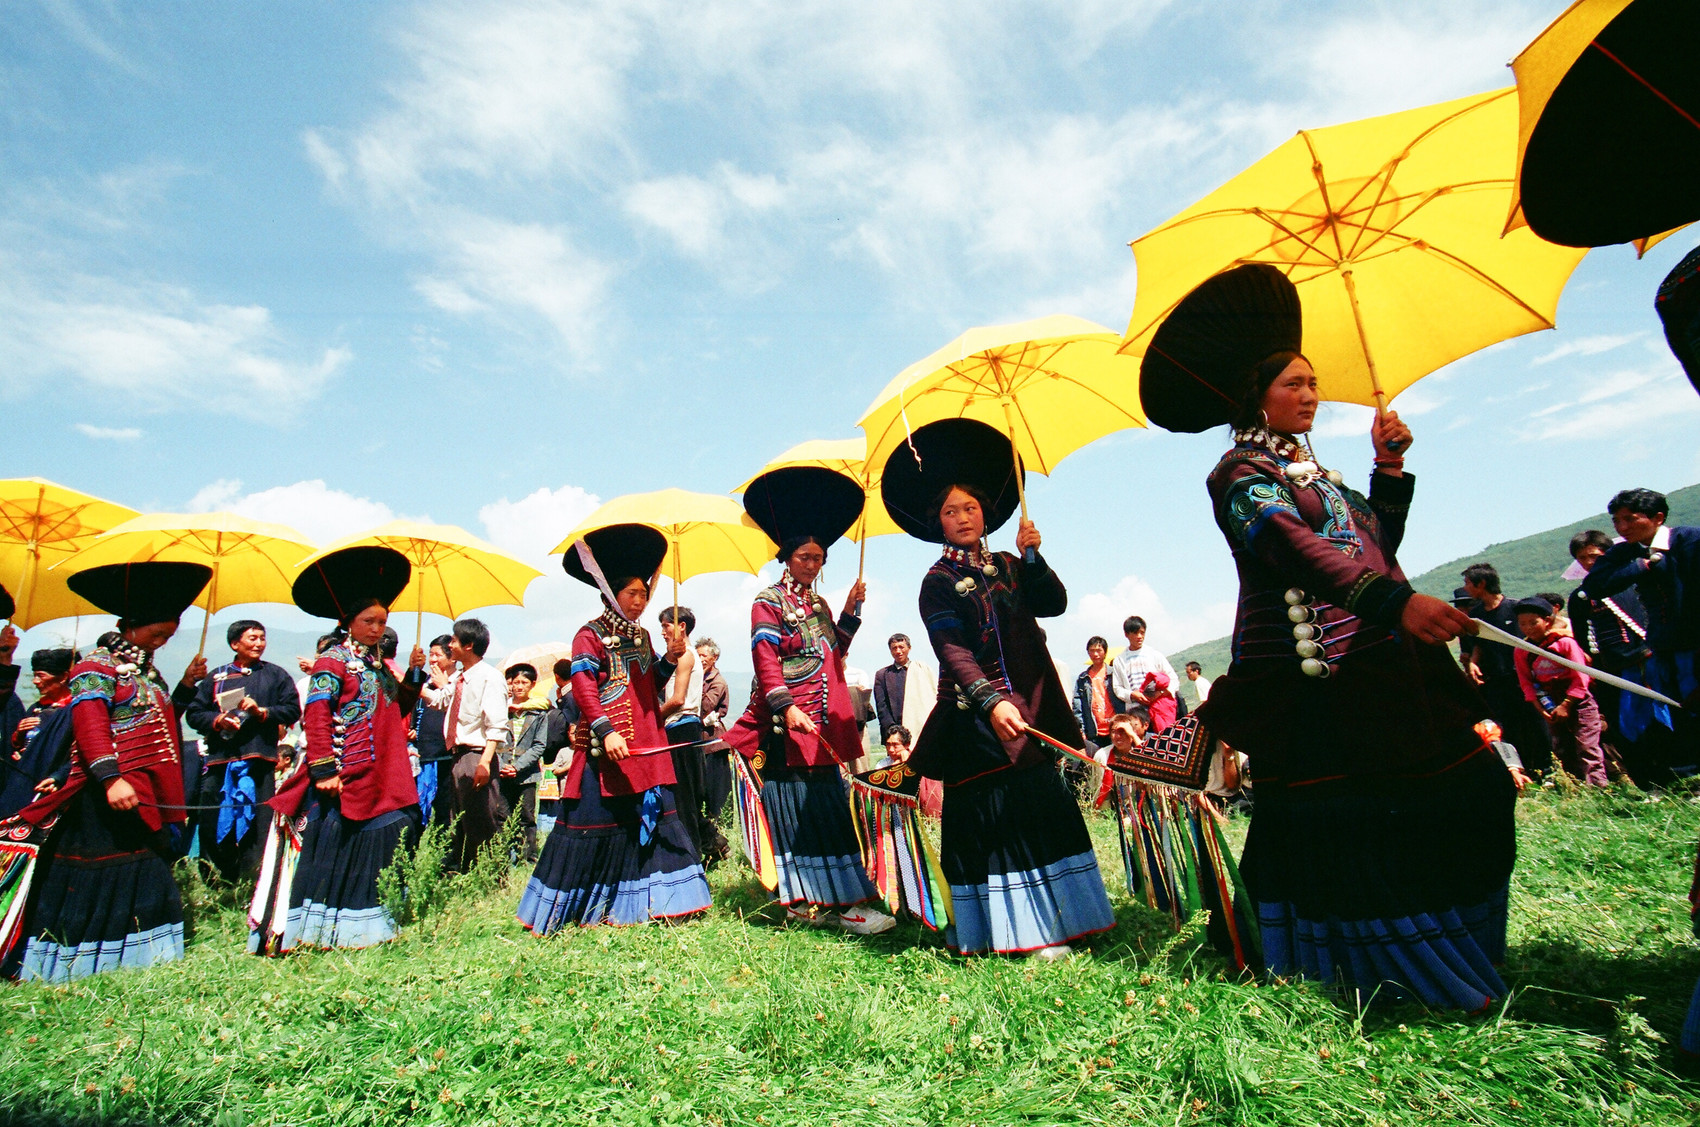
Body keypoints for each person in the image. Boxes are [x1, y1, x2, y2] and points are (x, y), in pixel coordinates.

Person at [1139, 262, 1514, 1009]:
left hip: (1380, 664)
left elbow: (1370, 544)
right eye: (1294, 384)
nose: (1310, 393)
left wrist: (1390, 468)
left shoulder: (1325, 476)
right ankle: (1359, 970)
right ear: (1259, 396)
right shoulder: (1240, 474)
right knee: (1343, 818)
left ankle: (1448, 946)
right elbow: (1288, 547)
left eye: (1313, 383)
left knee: (1474, 784)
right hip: (1311, 681)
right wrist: (1392, 602)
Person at [880, 417, 1116, 960]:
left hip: (1031, 709)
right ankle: (1016, 933)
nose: (962, 517)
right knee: (997, 815)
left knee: (1041, 805)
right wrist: (991, 702)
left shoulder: (1009, 564)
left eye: (970, 508)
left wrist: (1033, 555)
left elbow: (1052, 602)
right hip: (976, 722)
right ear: (937, 522)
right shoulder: (936, 581)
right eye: (950, 511)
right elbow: (953, 652)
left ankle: (1066, 918)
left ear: (985, 514)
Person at [1, 561, 213, 982]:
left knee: (146, 868)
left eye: (168, 636)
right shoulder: (94, 669)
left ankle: (137, 956)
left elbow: (161, 724)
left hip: (142, 792)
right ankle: (74, 964)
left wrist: (185, 686)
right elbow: (90, 726)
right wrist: (110, 777)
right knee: (101, 869)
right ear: (130, 627)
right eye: (157, 634)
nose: (162, 642)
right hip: (103, 798)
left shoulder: (146, 674)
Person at [516, 526, 711, 931]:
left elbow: (647, 684)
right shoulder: (589, 636)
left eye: (643, 594)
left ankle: (658, 902)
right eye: (631, 595)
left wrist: (670, 661)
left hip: (646, 741)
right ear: (611, 594)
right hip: (608, 749)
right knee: (594, 823)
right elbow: (586, 690)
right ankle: (582, 909)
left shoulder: (640, 636)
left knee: (656, 820)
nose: (639, 602)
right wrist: (606, 731)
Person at [727, 464, 895, 935]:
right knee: (798, 808)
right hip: (791, 724)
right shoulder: (768, 601)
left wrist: (850, 610)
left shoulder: (818, 606)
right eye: (804, 556)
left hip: (825, 723)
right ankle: (816, 903)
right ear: (787, 558)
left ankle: (835, 899)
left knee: (828, 809)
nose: (812, 563)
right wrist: (786, 706)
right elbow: (764, 660)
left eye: (819, 557)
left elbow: (833, 652)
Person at [251, 546, 426, 954]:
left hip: (386, 767)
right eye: (369, 621)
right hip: (349, 771)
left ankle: (371, 925)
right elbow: (316, 716)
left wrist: (415, 673)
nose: (377, 628)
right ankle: (322, 929)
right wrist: (323, 769)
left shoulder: (377, 664)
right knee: (340, 843)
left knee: (386, 837)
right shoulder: (331, 663)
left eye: (382, 622)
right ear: (348, 622)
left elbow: (396, 707)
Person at [1579, 488, 1700, 781]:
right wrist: (1641, 566)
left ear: (1658, 517)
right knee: (1678, 708)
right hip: (1662, 644)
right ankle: (1690, 776)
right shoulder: (1626, 553)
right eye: (1617, 521)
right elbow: (1594, 586)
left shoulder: (1690, 541)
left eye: (1630, 519)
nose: (1622, 528)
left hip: (1695, 642)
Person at [183, 620, 301, 883]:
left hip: (259, 763)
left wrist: (263, 713)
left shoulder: (276, 675)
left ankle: (253, 884)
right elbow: (194, 714)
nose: (259, 643)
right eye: (252, 638)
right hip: (219, 762)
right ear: (235, 644)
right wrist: (218, 720)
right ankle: (215, 882)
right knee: (213, 822)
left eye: (262, 637)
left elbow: (293, 709)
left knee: (259, 825)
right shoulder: (216, 677)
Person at [1567, 529, 1657, 782]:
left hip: (1649, 659)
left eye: (1594, 555)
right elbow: (1583, 640)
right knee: (1625, 727)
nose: (1589, 562)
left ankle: (1685, 777)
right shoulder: (1582, 596)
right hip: (1611, 670)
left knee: (1661, 719)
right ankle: (1648, 782)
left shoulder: (1633, 581)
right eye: (1582, 557)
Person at [422, 618, 509, 872]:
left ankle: (489, 875)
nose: (450, 644)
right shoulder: (460, 678)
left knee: (480, 818)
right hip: (458, 755)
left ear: (468, 645)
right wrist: (413, 678)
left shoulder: (489, 678)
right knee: (459, 818)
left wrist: (484, 761)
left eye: (454, 640)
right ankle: (466, 870)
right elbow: (441, 700)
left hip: (476, 754)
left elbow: (496, 725)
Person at [1457, 562, 1554, 778]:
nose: (1465, 588)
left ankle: (1548, 769)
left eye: (1467, 583)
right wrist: (1473, 662)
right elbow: (1478, 644)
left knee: (1536, 723)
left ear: (1481, 584)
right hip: (1495, 681)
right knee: (1507, 726)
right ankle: (1520, 770)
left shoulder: (1516, 608)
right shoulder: (1478, 614)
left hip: (1523, 678)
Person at [1511, 598, 1609, 786]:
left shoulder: (1564, 643)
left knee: (1586, 744)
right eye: (1522, 624)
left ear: (1547, 621)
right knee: (1562, 747)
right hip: (1549, 701)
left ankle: (1598, 787)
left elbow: (1581, 676)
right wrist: (1542, 711)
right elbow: (1526, 683)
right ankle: (1576, 785)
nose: (1528, 628)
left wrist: (1567, 704)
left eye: (1534, 623)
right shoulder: (1522, 651)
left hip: (1577, 700)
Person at [657, 605, 726, 864]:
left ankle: (692, 859)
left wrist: (652, 721)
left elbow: (677, 700)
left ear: (681, 626)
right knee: (681, 796)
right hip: (680, 728)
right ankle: (713, 844)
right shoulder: (677, 656)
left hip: (681, 727)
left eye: (666, 626)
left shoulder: (685, 656)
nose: (663, 631)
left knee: (683, 798)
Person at [0, 647, 79, 819]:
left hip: (57, 787)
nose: (35, 681)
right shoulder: (36, 708)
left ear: (64, 676)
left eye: (41, 675)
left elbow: (80, 750)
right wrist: (20, 736)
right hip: (26, 783)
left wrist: (60, 775)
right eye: (34, 675)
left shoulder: (76, 710)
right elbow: (20, 747)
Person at [500, 662, 550, 863]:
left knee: (526, 817)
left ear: (532, 684)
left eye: (524, 682)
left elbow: (539, 745)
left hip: (526, 774)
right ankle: (501, 856)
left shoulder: (538, 713)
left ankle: (527, 857)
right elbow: (492, 740)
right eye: (516, 682)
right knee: (501, 815)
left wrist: (517, 766)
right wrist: (502, 765)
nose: (519, 687)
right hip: (502, 771)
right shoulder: (502, 710)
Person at [411, 635, 455, 827]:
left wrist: (445, 687)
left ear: (452, 657)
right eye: (431, 654)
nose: (433, 659)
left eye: (437, 654)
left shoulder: (459, 682)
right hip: (422, 754)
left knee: (445, 809)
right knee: (416, 809)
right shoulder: (423, 682)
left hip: (446, 756)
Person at [1109, 616, 1179, 733]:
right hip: (1136, 712)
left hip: (1158, 708)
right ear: (1127, 634)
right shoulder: (1120, 660)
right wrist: (1132, 695)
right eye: (1135, 633)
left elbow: (1174, 679)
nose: (1140, 636)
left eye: (1142, 633)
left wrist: (1159, 693)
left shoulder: (1154, 654)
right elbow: (1117, 688)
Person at [695, 638, 734, 831]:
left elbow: (705, 706)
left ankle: (722, 830)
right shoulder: (700, 678)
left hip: (713, 743)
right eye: (698, 655)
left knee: (716, 791)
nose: (700, 659)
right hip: (699, 742)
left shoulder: (716, 681)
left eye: (704, 655)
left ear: (714, 658)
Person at [873, 633, 938, 745]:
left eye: (901, 647)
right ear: (890, 651)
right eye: (894, 648)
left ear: (909, 648)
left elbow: (932, 696)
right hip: (896, 733)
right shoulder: (882, 675)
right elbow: (882, 707)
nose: (898, 651)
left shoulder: (921, 670)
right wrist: (893, 731)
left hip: (923, 728)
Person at [879, 724, 943, 818]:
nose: (891, 750)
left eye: (896, 745)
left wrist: (907, 763)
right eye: (888, 744)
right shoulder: (882, 765)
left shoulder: (920, 761)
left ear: (907, 745)